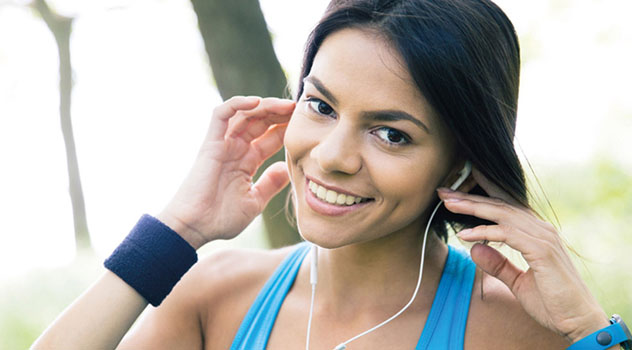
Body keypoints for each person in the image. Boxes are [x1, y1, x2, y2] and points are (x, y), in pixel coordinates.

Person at [32, 0, 630, 349]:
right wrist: (177, 230)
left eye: (391, 133)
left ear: (461, 160)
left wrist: (587, 327)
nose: (332, 156)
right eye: (320, 106)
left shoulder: (516, 329)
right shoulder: (214, 296)